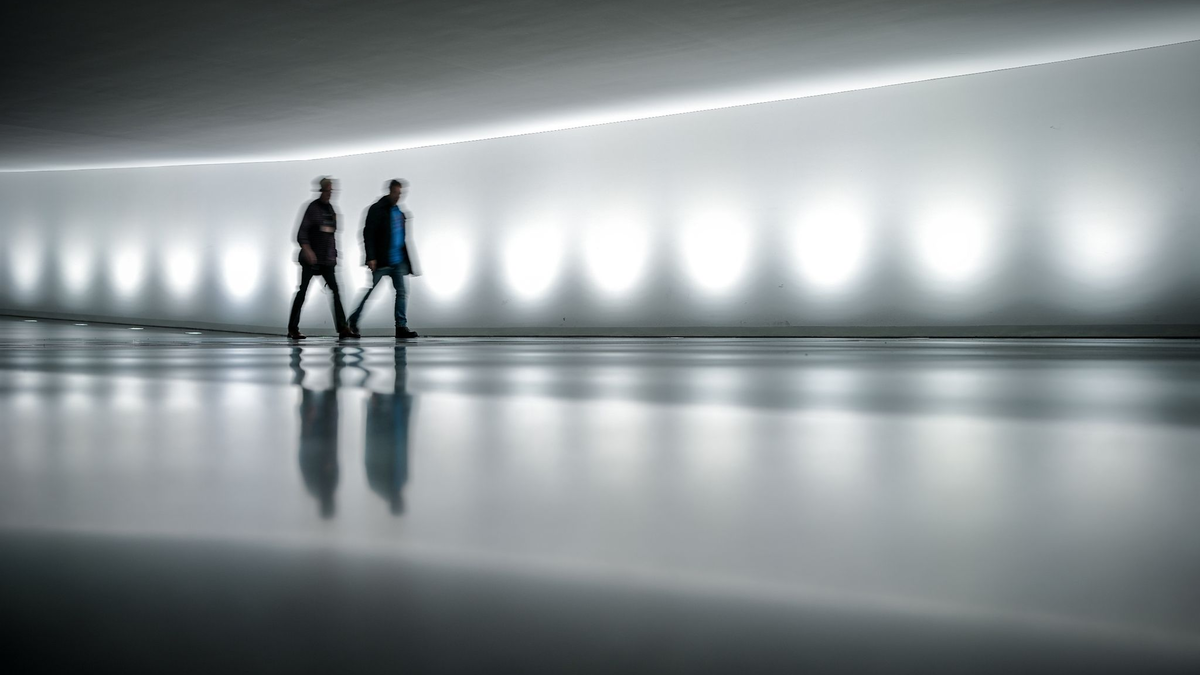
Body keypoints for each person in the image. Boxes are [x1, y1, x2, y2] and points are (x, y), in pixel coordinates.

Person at [348, 179, 422, 339]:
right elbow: (368, 234)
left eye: (400, 193)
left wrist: (408, 262)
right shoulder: (376, 209)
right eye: (395, 193)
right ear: (389, 191)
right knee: (371, 291)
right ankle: (352, 321)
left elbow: (402, 238)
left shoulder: (399, 213)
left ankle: (401, 327)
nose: (398, 196)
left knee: (402, 292)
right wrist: (371, 257)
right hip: (382, 260)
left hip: (398, 260)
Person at [287, 177, 358, 340]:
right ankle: (292, 328)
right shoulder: (312, 208)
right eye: (327, 191)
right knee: (302, 291)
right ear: (321, 191)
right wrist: (308, 250)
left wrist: (334, 255)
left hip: (326, 261)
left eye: (331, 191)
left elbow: (332, 235)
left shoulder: (331, 210)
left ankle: (343, 328)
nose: (329, 194)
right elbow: (301, 233)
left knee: (335, 290)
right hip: (310, 260)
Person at [365, 345, 415, 515]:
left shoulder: (380, 484)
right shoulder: (399, 482)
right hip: (391, 425)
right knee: (396, 383)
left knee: (388, 385)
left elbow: (370, 451)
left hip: (386, 426)